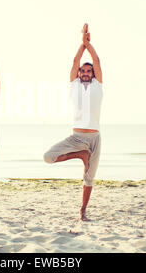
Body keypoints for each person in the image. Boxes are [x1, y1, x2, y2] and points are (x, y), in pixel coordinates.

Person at [43, 23, 103, 221]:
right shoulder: (74, 85)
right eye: (82, 71)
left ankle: (83, 211)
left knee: (89, 178)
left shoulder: (97, 86)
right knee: (48, 157)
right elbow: (76, 59)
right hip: (76, 137)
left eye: (89, 71)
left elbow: (97, 60)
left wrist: (89, 44)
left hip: (94, 137)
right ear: (78, 74)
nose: (85, 73)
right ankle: (80, 154)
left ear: (93, 74)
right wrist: (82, 43)